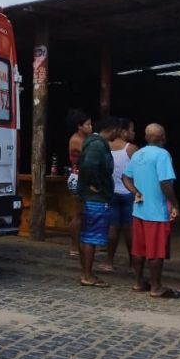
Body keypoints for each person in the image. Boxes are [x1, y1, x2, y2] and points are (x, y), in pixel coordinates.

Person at [122, 123, 180, 298]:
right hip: (156, 211)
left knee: (139, 249)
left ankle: (139, 282)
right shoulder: (162, 155)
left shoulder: (138, 154)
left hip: (139, 209)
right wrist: (175, 205)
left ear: (146, 137)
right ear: (163, 137)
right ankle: (156, 287)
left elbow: (125, 177)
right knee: (156, 252)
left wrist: (136, 192)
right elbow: (165, 183)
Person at [77, 116, 118, 287]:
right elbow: (88, 166)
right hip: (95, 198)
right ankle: (87, 275)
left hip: (95, 197)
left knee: (88, 234)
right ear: (111, 129)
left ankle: (87, 273)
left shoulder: (96, 143)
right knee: (91, 236)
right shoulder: (97, 145)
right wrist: (95, 183)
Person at [98, 118, 138, 272]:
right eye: (131, 129)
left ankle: (109, 261)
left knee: (112, 228)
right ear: (123, 131)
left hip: (111, 192)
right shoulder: (131, 149)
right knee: (130, 230)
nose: (133, 133)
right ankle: (133, 263)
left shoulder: (106, 146)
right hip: (129, 192)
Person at [66, 109, 92, 257]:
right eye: (87, 124)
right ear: (79, 126)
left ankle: (80, 243)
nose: (90, 127)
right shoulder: (76, 140)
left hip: (83, 176)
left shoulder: (86, 138)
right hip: (78, 176)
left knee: (83, 213)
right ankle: (74, 246)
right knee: (78, 214)